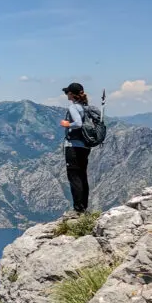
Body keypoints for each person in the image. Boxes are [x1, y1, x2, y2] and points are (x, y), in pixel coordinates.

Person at [59, 82, 91, 215]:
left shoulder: (73, 107)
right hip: (85, 146)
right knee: (82, 175)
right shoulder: (86, 107)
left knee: (74, 176)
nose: (66, 94)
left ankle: (78, 209)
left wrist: (67, 124)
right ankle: (83, 206)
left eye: (67, 92)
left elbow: (78, 123)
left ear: (71, 94)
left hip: (73, 147)